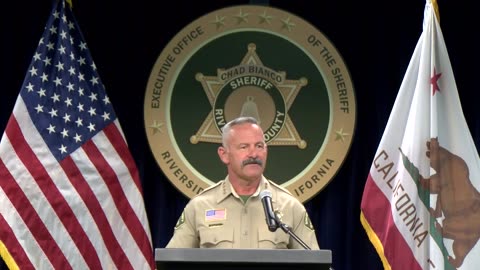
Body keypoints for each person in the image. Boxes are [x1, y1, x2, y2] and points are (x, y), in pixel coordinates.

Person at [166, 116, 320, 249]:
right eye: (244, 147)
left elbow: (315, 264)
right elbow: (172, 262)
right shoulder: (200, 206)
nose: (253, 154)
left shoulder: (290, 206)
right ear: (224, 154)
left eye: (259, 146)